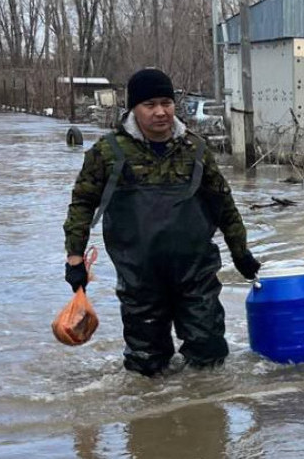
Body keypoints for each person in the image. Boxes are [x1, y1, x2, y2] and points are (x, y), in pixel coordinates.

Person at [61, 68, 260, 376]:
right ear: (133, 109)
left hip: (196, 274)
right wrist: (75, 258)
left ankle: (206, 415)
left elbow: (224, 204)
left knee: (210, 358)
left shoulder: (196, 149)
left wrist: (241, 252)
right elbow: (82, 206)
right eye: (150, 104)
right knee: (146, 367)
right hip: (140, 279)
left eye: (166, 102)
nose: (160, 112)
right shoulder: (108, 153)